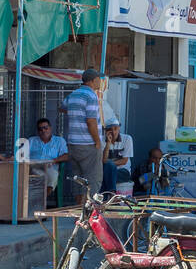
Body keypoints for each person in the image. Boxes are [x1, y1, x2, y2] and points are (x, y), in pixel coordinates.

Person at [62, 68, 104, 197]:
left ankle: (78, 211)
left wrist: (75, 115)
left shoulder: (73, 94)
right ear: (92, 81)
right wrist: (97, 142)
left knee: (78, 180)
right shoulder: (91, 96)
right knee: (93, 180)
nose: (100, 82)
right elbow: (91, 121)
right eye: (98, 80)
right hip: (88, 145)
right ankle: (89, 214)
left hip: (73, 144)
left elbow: (62, 107)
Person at [27, 118, 69, 202]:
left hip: (49, 167)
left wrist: (54, 160)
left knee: (52, 176)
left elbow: (67, 156)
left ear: (50, 128)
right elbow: (21, 154)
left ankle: (39, 201)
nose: (43, 131)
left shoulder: (59, 141)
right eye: (40, 129)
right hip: (32, 167)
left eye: (45, 128)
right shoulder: (31, 140)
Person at [101, 120, 134, 193]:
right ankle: (112, 193)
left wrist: (110, 164)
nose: (113, 132)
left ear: (119, 128)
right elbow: (104, 160)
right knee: (106, 173)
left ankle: (109, 195)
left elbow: (124, 161)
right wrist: (108, 143)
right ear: (106, 131)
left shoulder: (127, 138)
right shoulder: (102, 140)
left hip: (123, 171)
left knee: (106, 173)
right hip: (107, 171)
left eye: (115, 128)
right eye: (110, 129)